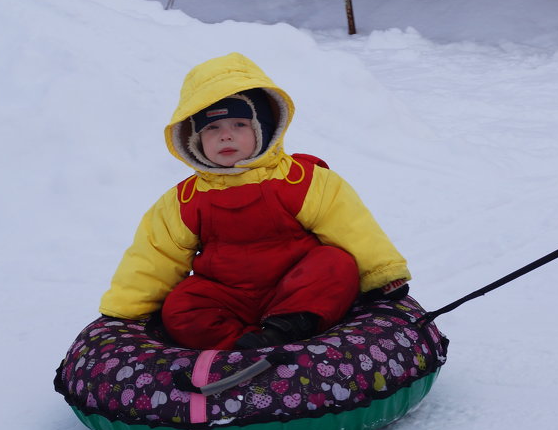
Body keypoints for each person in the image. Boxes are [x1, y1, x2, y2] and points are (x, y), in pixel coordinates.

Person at [99, 52, 410, 351]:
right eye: (212, 128)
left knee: (335, 263)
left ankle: (288, 327)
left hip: (293, 285)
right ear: (193, 140)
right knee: (182, 304)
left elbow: (351, 225)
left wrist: (382, 273)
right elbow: (155, 256)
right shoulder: (185, 199)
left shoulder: (300, 180)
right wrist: (124, 308)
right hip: (227, 295)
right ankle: (242, 346)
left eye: (239, 125)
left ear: (263, 130)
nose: (226, 136)